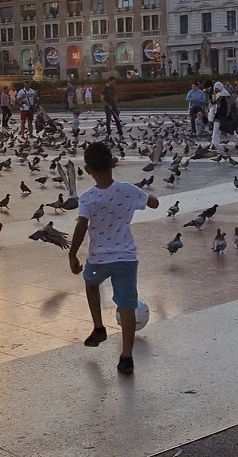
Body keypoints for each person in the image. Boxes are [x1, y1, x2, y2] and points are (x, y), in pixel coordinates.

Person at [68, 141, 159, 375]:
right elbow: (154, 203)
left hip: (98, 259)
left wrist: (72, 253)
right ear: (113, 163)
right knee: (127, 306)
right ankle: (127, 357)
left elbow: (81, 225)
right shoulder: (128, 189)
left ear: (87, 170)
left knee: (91, 284)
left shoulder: (88, 198)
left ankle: (99, 327)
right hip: (126, 259)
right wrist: (143, 196)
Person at [209, 82, 238, 149]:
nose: (216, 90)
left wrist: (226, 115)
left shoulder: (224, 95)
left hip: (223, 116)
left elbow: (227, 106)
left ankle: (237, 141)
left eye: (216, 89)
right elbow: (214, 103)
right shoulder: (220, 94)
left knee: (229, 130)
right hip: (219, 115)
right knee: (216, 131)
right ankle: (213, 144)